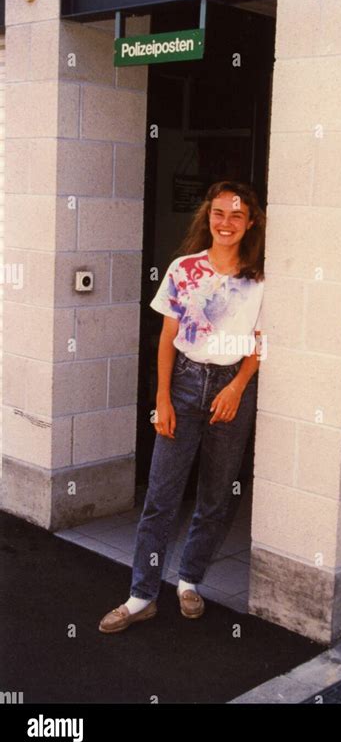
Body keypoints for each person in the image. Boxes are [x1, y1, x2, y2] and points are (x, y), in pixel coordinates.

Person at [98, 180, 265, 634]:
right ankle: (141, 595)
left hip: (233, 390)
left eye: (236, 215)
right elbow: (168, 339)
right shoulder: (183, 269)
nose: (226, 223)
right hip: (186, 385)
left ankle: (189, 580)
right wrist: (162, 399)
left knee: (215, 497)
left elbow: (259, 342)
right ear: (207, 218)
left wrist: (236, 388)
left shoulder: (259, 278)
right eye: (218, 213)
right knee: (161, 497)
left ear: (250, 222)